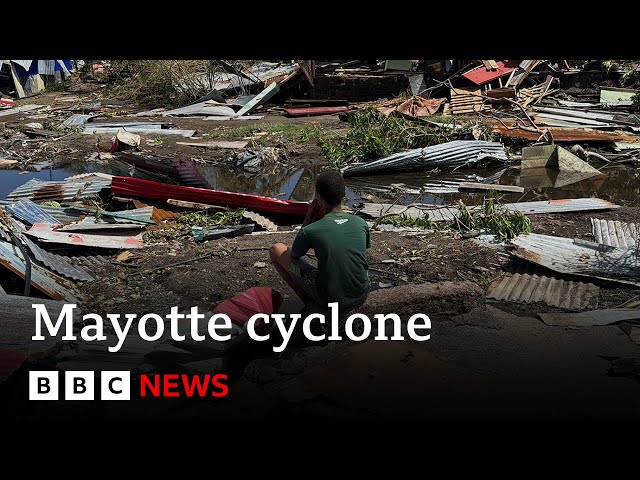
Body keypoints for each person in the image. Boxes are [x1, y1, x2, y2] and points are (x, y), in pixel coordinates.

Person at [270, 171, 371, 311]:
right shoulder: (360, 223)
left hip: (330, 299)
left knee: (277, 250)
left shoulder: (311, 230)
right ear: (343, 195)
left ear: (318, 196)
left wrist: (309, 216)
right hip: (361, 294)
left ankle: (310, 302)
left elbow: (295, 255)